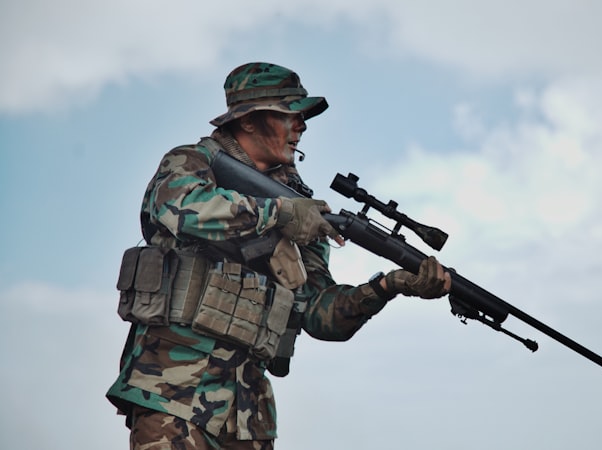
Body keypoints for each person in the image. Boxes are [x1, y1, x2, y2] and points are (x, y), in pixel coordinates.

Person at [106, 62, 451, 450]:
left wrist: (387, 286)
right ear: (249, 121)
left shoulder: (303, 210)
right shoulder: (193, 163)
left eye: (302, 116)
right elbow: (178, 207)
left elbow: (320, 314)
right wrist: (281, 215)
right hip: (173, 392)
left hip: (248, 419)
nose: (301, 125)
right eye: (291, 114)